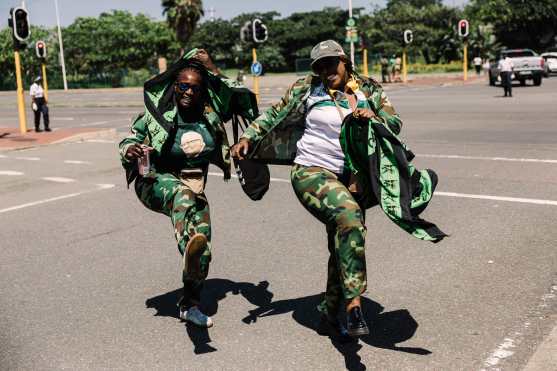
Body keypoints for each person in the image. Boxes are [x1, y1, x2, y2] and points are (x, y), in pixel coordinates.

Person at [231, 40, 445, 339]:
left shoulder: (368, 90)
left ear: (345, 61)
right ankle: (354, 304)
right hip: (311, 171)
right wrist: (248, 138)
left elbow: (394, 123)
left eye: (331, 63)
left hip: (355, 177)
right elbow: (274, 114)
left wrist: (374, 116)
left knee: (343, 240)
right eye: (319, 65)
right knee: (348, 216)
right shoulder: (306, 88)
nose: (325, 70)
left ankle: (328, 312)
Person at [118, 49, 257, 327]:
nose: (189, 92)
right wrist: (130, 149)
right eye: (183, 86)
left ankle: (189, 304)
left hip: (193, 187)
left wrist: (212, 67)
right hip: (155, 181)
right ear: (174, 85)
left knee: (203, 249)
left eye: (195, 87)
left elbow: (239, 97)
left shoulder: (210, 113)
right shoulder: (155, 114)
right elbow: (127, 141)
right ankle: (187, 246)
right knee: (182, 199)